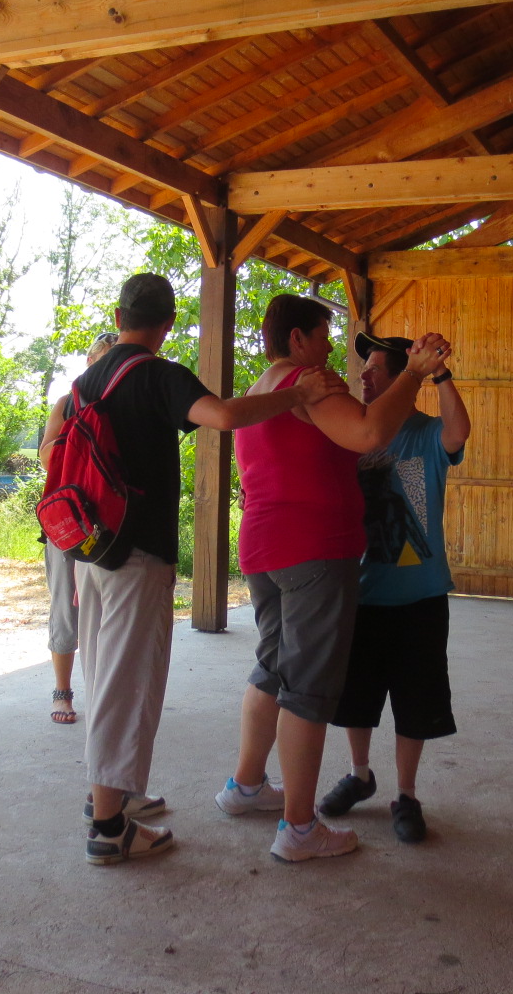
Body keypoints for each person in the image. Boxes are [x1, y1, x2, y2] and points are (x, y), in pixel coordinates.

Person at [42, 274, 345, 866]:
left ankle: (106, 796)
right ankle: (109, 826)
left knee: (104, 674)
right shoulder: (157, 374)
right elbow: (226, 416)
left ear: (120, 312)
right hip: (137, 554)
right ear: (168, 323)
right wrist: (296, 394)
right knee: (129, 684)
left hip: (90, 548)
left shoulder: (88, 379)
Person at [217, 294, 446, 863]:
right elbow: (369, 434)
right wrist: (413, 374)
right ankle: (298, 827)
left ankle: (246, 787)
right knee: (310, 688)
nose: (332, 350)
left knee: (273, 665)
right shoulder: (310, 383)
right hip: (313, 551)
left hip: (266, 548)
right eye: (323, 335)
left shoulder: (262, 386)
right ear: (298, 339)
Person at [316, 330, 469, 844]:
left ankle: (405, 794)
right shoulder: (353, 434)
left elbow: (459, 430)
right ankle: (360, 775)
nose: (363, 376)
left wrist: (440, 373)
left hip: (421, 596)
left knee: (415, 701)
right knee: (356, 698)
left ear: (405, 377)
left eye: (375, 368)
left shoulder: (425, 433)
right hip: (359, 594)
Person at [38, 331, 118, 726]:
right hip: (69, 521)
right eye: (99, 362)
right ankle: (63, 691)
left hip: (112, 524)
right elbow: (45, 455)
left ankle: (103, 692)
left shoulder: (125, 405)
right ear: (89, 365)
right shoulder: (67, 403)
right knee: (65, 604)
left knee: (108, 610)